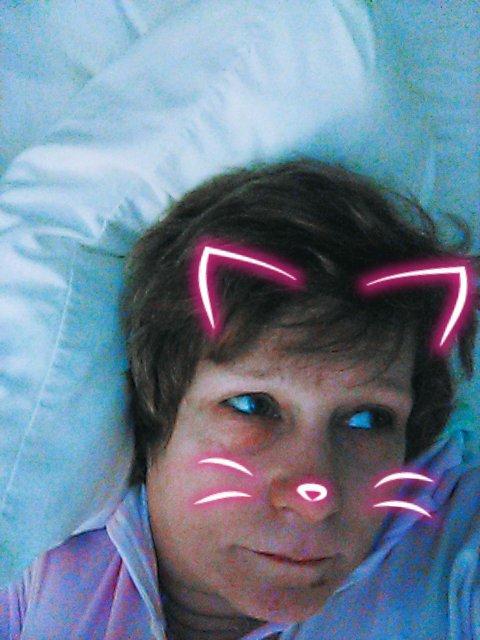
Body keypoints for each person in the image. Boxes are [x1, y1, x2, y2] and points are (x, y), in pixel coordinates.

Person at [1, 159, 478, 639]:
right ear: (156, 409)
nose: (315, 498)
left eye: (368, 419)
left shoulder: (453, 550)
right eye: (254, 406)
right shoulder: (35, 561)